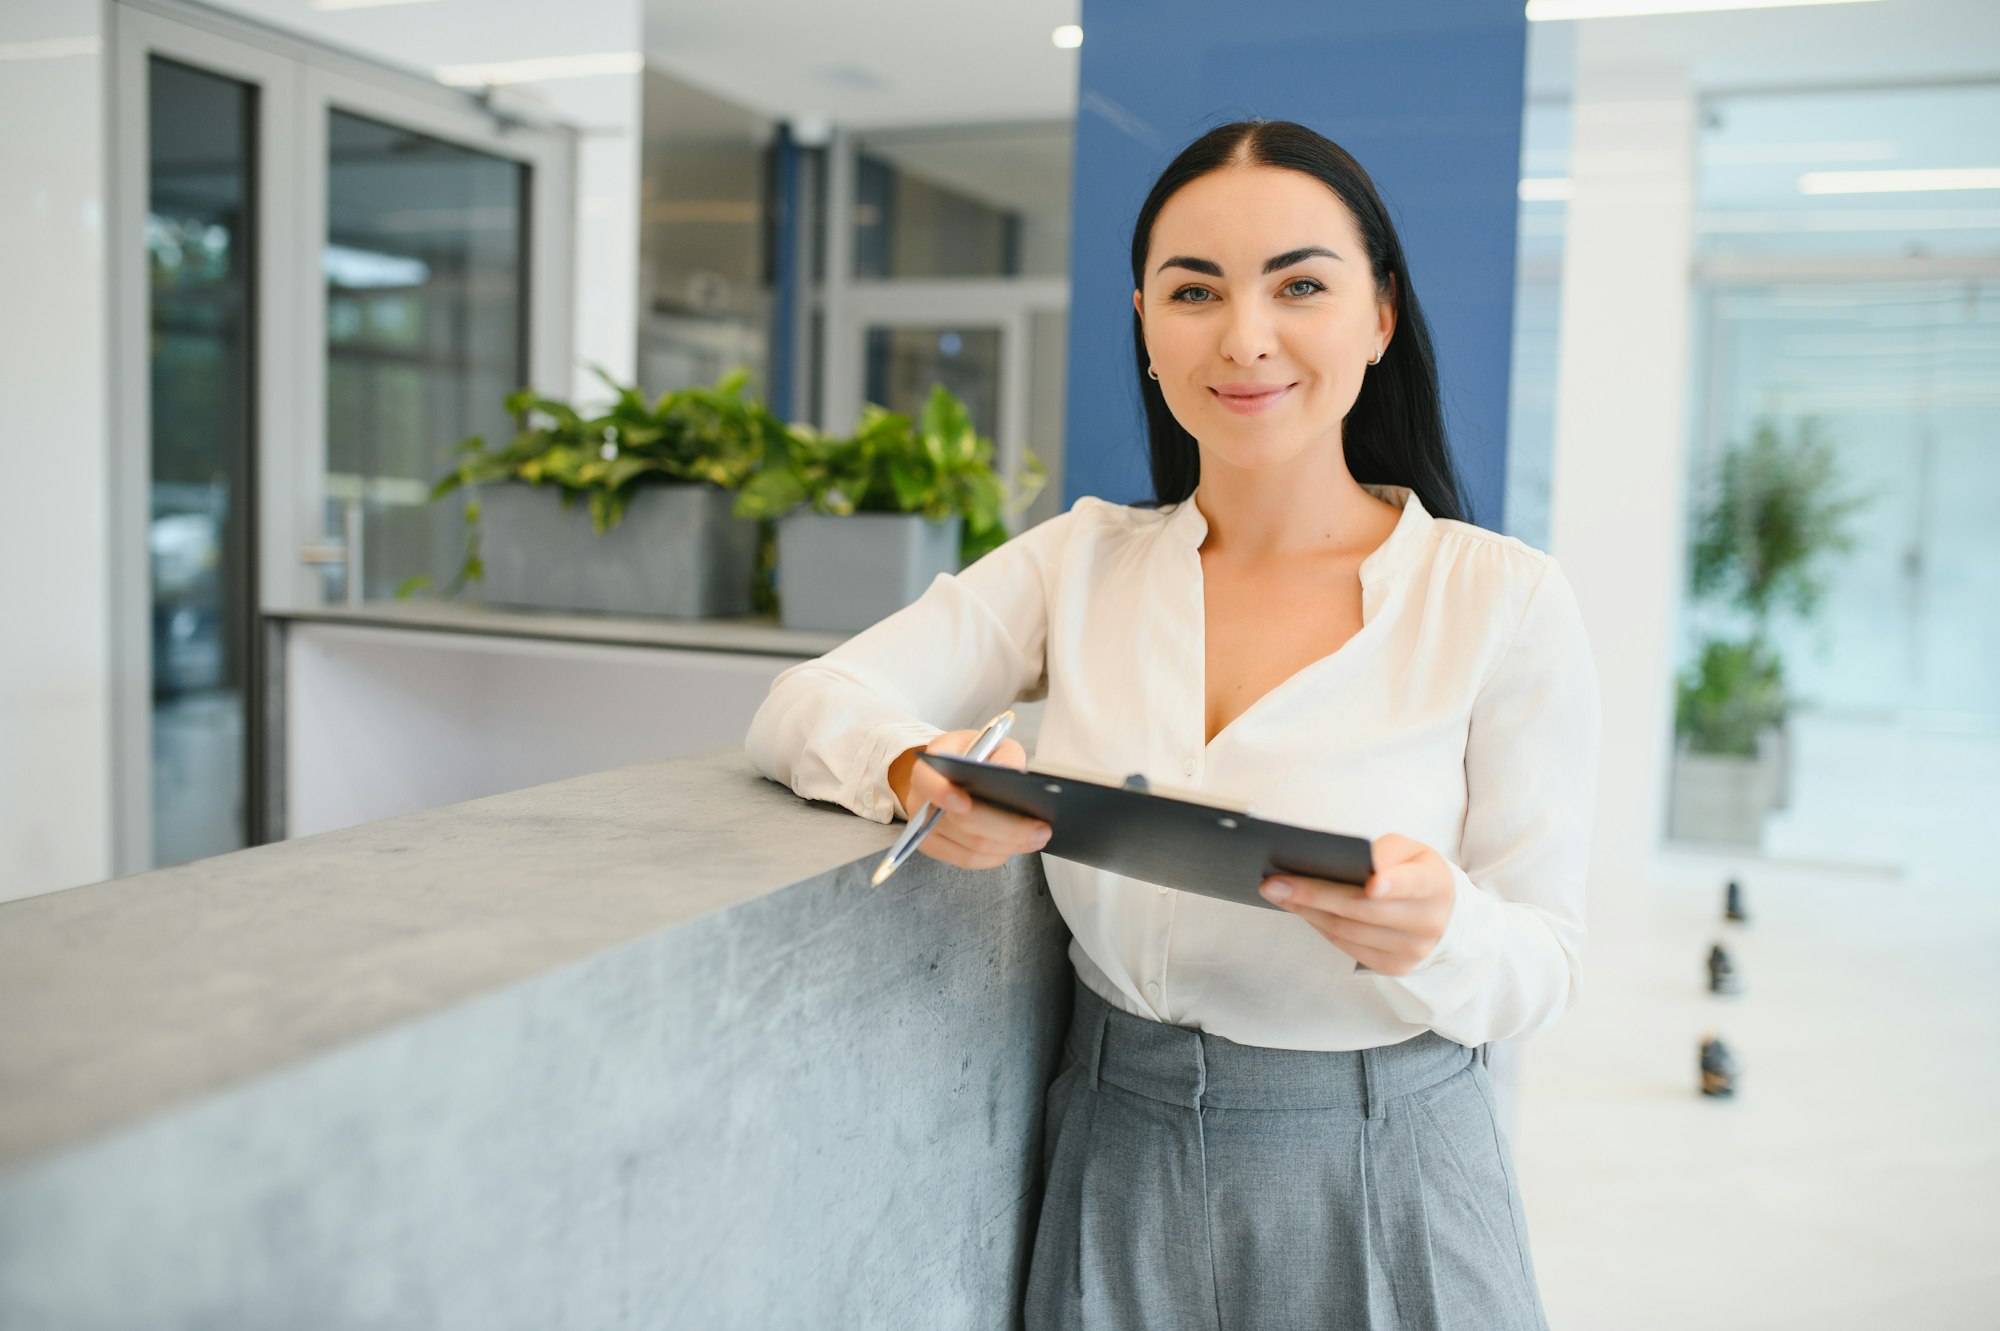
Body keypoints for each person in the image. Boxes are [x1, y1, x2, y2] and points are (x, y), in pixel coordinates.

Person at [744, 119, 1600, 1331]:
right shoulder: (1079, 561)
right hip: (1115, 1150)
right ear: (1144, 321)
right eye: (1193, 290)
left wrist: (1441, 927)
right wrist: (910, 771)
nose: (1243, 336)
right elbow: (803, 701)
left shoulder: (1498, 598)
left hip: (1386, 1167)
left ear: (1379, 315)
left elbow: (1545, 966)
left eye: (1299, 284)